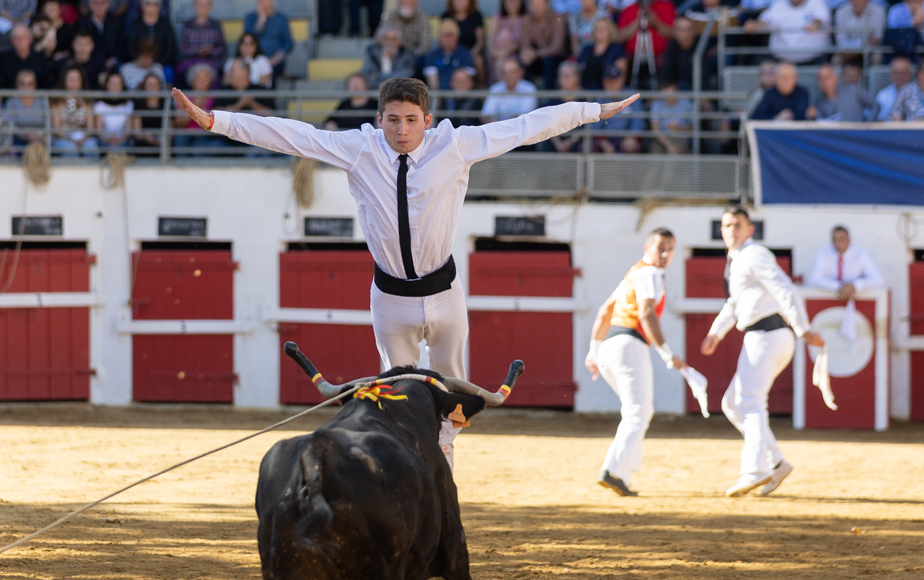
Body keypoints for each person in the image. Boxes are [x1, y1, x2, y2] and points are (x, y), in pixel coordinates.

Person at [173, 76, 638, 468]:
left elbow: (525, 127)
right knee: (395, 396)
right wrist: (218, 121)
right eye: (393, 120)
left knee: (452, 394)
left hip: (445, 292)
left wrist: (592, 110)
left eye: (411, 120)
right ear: (380, 120)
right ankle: (401, 474)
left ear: (427, 121)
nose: (401, 130)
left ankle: (444, 470)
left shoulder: (454, 144)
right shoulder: (358, 148)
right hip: (390, 298)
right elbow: (291, 134)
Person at [700, 206, 823, 498]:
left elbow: (785, 289)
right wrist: (716, 333)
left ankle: (755, 470)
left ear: (750, 229)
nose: (731, 230)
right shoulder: (737, 259)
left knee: (750, 401)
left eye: (737, 225)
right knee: (733, 404)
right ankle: (776, 462)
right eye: (727, 225)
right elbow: (735, 304)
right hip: (765, 336)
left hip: (768, 335)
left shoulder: (755, 255)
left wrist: (803, 327)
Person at [585, 228, 685, 497]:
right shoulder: (651, 273)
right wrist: (666, 352)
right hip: (629, 345)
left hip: (609, 347)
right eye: (660, 247)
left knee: (638, 412)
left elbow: (605, 310)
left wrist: (594, 350)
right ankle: (614, 471)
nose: (665, 254)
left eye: (670, 249)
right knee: (639, 412)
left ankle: (621, 473)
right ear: (647, 247)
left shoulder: (635, 272)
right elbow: (647, 311)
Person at [807, 226, 884, 299]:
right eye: (835, 240)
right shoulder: (824, 253)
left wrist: (855, 286)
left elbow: (878, 279)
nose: (838, 243)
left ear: (849, 239)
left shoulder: (860, 254)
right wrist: (837, 287)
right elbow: (814, 279)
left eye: (842, 239)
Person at [743, 0, 830, 65]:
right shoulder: (779, 4)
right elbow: (767, 20)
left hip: (814, 59)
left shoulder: (817, 2)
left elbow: (821, 18)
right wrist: (755, 25)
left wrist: (815, 24)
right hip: (782, 61)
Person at [618, 0, 675, 89]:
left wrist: (655, 23)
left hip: (660, 58)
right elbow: (620, 37)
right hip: (633, 59)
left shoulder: (666, 6)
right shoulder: (628, 9)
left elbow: (673, 34)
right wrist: (637, 22)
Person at [592, 62, 643, 153]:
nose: (611, 84)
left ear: (621, 80)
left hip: (625, 137)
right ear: (604, 81)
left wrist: (631, 136)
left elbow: (638, 121)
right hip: (605, 138)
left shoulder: (631, 95)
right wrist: (603, 141)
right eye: (608, 80)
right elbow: (594, 126)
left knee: (632, 146)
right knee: (589, 146)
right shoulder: (599, 98)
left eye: (615, 80)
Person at [51, 63, 99, 156]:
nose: (74, 82)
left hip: (84, 138)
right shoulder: (56, 100)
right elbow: (56, 129)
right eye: (71, 79)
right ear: (64, 80)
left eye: (77, 79)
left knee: (91, 146)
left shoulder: (87, 100)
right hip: (63, 138)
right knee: (70, 149)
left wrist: (82, 140)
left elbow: (91, 128)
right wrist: (71, 140)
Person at [177, 0, 225, 87]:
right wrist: (196, 51)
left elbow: (222, 49)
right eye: (200, 4)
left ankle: (212, 100)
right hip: (191, 63)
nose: (202, 7)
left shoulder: (216, 25)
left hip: (211, 62)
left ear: (210, 7)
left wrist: (211, 50)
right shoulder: (187, 25)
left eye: (205, 5)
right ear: (194, 6)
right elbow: (182, 50)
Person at [520, 0, 565, 89]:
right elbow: (525, 44)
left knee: (548, 61)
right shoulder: (526, 20)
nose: (537, 8)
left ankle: (549, 95)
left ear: (547, 5)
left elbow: (557, 47)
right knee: (523, 62)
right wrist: (527, 54)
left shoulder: (557, 18)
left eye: (540, 5)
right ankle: (527, 93)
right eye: (534, 5)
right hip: (535, 57)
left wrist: (536, 53)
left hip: (555, 57)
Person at [809, 62, 876, 121]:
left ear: (835, 77)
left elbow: (875, 105)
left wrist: (868, 125)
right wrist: (812, 116)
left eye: (827, 77)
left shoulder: (854, 90)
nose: (823, 82)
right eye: (820, 78)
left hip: (858, 134)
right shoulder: (819, 103)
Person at [243, 0, 291, 81]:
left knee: (269, 71)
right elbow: (247, 41)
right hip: (253, 61)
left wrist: (277, 57)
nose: (263, 1)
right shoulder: (249, 18)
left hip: (275, 61)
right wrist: (261, 20)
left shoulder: (281, 19)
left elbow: (288, 43)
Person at [423, 18, 475, 91]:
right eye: (445, 36)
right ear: (439, 37)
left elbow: (467, 81)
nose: (448, 39)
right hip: (440, 96)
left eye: (451, 36)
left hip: (460, 95)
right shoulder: (432, 55)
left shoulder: (465, 54)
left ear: (457, 37)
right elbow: (432, 83)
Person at [576, 16, 626, 91]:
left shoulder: (617, 50)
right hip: (585, 91)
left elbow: (621, 75)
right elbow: (578, 70)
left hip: (607, 93)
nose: (600, 31)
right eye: (598, 28)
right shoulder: (586, 49)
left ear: (610, 31)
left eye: (604, 28)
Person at [544, 60, 585, 152]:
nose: (565, 78)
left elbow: (587, 127)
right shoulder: (553, 99)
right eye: (562, 75)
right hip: (555, 138)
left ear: (577, 77)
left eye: (568, 75)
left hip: (577, 139)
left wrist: (571, 140)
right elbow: (547, 123)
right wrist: (557, 142)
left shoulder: (585, 98)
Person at [482, 55, 537, 122]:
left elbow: (525, 118)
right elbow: (486, 116)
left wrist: (500, 124)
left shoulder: (529, 89)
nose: (509, 76)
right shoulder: (495, 88)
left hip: (520, 131)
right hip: (497, 130)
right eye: (505, 73)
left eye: (512, 72)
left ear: (521, 72)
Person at [361, 25, 416, 89]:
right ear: (381, 40)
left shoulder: (407, 54)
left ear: (400, 41)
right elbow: (366, 76)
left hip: (399, 92)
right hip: (375, 92)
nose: (390, 42)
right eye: (386, 38)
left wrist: (378, 75)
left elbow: (406, 76)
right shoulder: (372, 54)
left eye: (394, 39)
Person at [75, 0, 124, 70]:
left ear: (108, 4)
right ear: (89, 4)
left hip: (112, 62)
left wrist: (113, 59)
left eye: (103, 2)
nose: (100, 6)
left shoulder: (117, 22)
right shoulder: (82, 22)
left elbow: (121, 44)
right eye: (95, 3)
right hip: (89, 62)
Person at [3, 67, 48, 144]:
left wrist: (38, 135)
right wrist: (25, 136)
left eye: (30, 84)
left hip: (40, 139)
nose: (26, 88)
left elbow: (47, 124)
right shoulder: (11, 102)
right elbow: (11, 125)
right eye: (22, 84)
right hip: (18, 140)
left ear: (35, 85)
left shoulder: (42, 102)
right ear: (17, 85)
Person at [126, 0, 176, 69]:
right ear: (142, 6)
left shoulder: (165, 24)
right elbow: (130, 46)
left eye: (155, 4)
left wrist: (160, 62)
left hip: (161, 64)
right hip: (138, 63)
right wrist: (140, 61)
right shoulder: (135, 24)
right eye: (148, 3)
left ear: (160, 7)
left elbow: (170, 48)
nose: (151, 7)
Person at [442, 0, 485, 79]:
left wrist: (471, 53)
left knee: (478, 60)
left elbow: (480, 42)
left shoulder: (476, 16)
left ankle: (480, 85)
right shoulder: (446, 16)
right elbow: (443, 38)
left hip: (471, 51)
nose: (460, 2)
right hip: (452, 51)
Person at [488, 0, 527, 86]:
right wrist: (496, 52)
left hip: (516, 54)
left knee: (503, 63)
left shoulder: (525, 18)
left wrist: (506, 52)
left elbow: (521, 41)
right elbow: (490, 40)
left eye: (515, 1)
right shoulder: (497, 18)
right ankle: (499, 89)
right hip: (497, 54)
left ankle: (505, 89)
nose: (512, 3)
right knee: (498, 61)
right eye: (508, 1)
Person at [649, 78, 693, 153]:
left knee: (674, 156)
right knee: (654, 153)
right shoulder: (656, 105)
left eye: (671, 91)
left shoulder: (686, 104)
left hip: (680, 139)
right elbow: (656, 130)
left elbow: (693, 128)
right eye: (665, 92)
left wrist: (679, 128)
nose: (669, 95)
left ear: (676, 90)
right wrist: (669, 145)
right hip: (661, 139)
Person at [0, 24, 50, 89]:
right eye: (17, 38)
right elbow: (3, 86)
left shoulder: (41, 58)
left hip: (37, 97)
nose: (21, 41)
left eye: (24, 37)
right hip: (12, 97)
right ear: (12, 41)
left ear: (31, 39)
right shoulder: (4, 60)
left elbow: (46, 83)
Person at [94, 69, 133, 149]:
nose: (115, 87)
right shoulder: (99, 105)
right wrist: (107, 138)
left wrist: (120, 139)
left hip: (123, 141)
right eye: (113, 84)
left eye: (118, 84)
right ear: (107, 85)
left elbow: (128, 129)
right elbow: (99, 130)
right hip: (104, 141)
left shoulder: (128, 104)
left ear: (122, 86)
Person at [660, 16, 698, 92]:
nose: (683, 33)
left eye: (687, 30)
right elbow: (666, 74)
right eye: (680, 30)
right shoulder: (672, 46)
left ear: (693, 31)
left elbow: (703, 78)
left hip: (694, 91)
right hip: (672, 92)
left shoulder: (700, 47)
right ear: (675, 32)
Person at [132, 71, 165, 153]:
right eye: (150, 85)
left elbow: (171, 129)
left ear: (160, 87)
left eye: (155, 85)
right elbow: (137, 133)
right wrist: (145, 136)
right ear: (144, 87)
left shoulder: (166, 104)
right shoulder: (138, 104)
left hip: (162, 140)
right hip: (144, 141)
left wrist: (162, 138)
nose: (152, 88)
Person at [875, 56, 912, 121]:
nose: (899, 76)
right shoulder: (883, 95)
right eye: (896, 72)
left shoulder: (918, 94)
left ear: (910, 74)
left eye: (903, 72)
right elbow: (877, 119)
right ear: (890, 74)